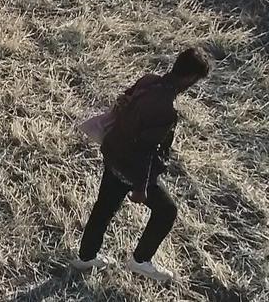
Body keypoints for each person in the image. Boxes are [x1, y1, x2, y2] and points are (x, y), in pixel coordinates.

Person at [71, 48, 212, 282]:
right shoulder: (166, 110)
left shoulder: (149, 80)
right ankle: (140, 261)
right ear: (189, 78)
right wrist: (141, 187)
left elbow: (122, 102)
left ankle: (85, 258)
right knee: (167, 211)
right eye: (195, 81)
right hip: (131, 168)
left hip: (114, 152)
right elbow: (146, 150)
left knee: (103, 209)